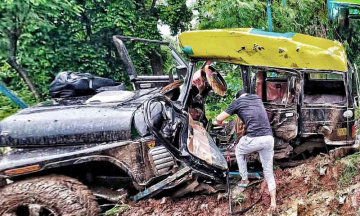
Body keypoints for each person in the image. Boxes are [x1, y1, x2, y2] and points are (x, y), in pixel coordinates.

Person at [214, 89, 276, 212]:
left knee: (238, 150)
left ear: (238, 97)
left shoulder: (238, 102)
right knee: (268, 172)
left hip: (254, 139)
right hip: (269, 138)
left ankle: (244, 178)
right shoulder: (257, 98)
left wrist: (221, 124)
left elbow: (218, 118)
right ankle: (273, 203)